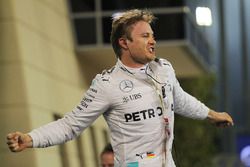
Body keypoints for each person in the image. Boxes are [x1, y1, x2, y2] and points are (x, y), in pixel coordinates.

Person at [6, 9, 234, 167]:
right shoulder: (107, 85)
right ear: (124, 43)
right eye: (145, 36)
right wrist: (31, 138)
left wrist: (211, 115)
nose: (153, 41)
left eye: (153, 35)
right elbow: (70, 126)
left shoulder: (163, 68)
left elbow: (179, 99)